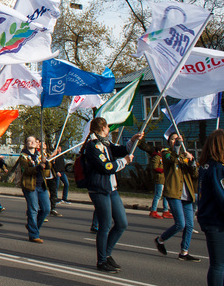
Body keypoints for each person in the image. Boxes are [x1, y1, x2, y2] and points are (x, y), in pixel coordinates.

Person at [83, 117, 142, 273]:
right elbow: (106, 166)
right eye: (108, 127)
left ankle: (107, 254)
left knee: (122, 223)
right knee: (105, 225)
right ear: (103, 128)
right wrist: (124, 162)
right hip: (99, 189)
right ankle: (101, 260)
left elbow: (119, 150)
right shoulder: (93, 146)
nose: (109, 129)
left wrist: (133, 141)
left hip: (111, 189)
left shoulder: (105, 143)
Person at [153, 133, 200, 261]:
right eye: (173, 140)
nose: (176, 141)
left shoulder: (186, 155)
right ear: (169, 142)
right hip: (174, 193)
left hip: (187, 195)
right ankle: (160, 240)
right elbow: (172, 160)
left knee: (189, 225)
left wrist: (192, 162)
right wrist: (177, 149)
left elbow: (195, 174)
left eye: (178, 140)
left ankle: (184, 252)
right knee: (180, 224)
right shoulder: (166, 153)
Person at [196, 129, 224, 286]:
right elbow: (221, 196)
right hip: (216, 221)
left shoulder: (206, 166)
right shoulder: (216, 168)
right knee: (218, 264)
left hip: (210, 218)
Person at [17, 135, 50, 243]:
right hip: (30, 186)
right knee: (33, 209)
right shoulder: (23, 156)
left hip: (41, 185)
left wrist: (47, 165)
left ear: (37, 143)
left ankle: (32, 226)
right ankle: (33, 234)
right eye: (28, 141)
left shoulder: (41, 155)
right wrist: (37, 167)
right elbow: (26, 171)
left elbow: (46, 173)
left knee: (46, 209)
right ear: (26, 144)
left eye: (33, 141)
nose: (31, 143)